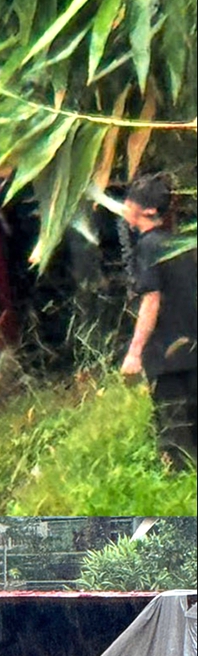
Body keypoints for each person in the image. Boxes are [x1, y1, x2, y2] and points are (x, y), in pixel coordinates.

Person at [120, 174, 195, 470]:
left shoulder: (148, 246)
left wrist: (134, 353)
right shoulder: (181, 243)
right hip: (192, 352)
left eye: (129, 204)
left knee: (177, 442)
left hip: (168, 360)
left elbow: (151, 300)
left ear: (149, 211)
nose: (125, 208)